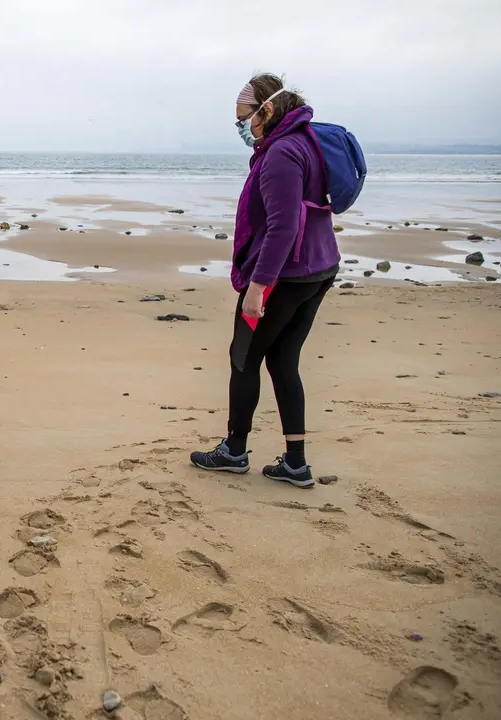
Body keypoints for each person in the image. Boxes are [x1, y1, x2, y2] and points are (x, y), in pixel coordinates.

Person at [190, 73, 340, 488]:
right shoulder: (308, 139)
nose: (241, 126)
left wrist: (257, 287)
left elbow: (281, 227)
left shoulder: (280, 153)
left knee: (244, 357)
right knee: (283, 359)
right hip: (319, 268)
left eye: (244, 118)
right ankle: (295, 462)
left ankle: (233, 452)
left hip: (285, 276)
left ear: (266, 111)